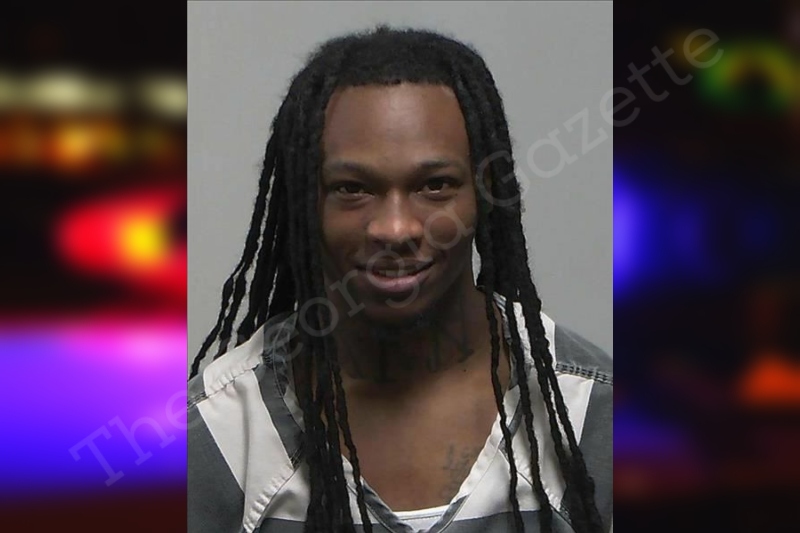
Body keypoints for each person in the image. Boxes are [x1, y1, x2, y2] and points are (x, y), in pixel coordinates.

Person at [187, 26, 612, 533]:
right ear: (304, 202)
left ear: (485, 194)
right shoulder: (216, 436)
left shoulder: (593, 415)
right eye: (353, 188)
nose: (396, 228)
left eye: (435, 185)